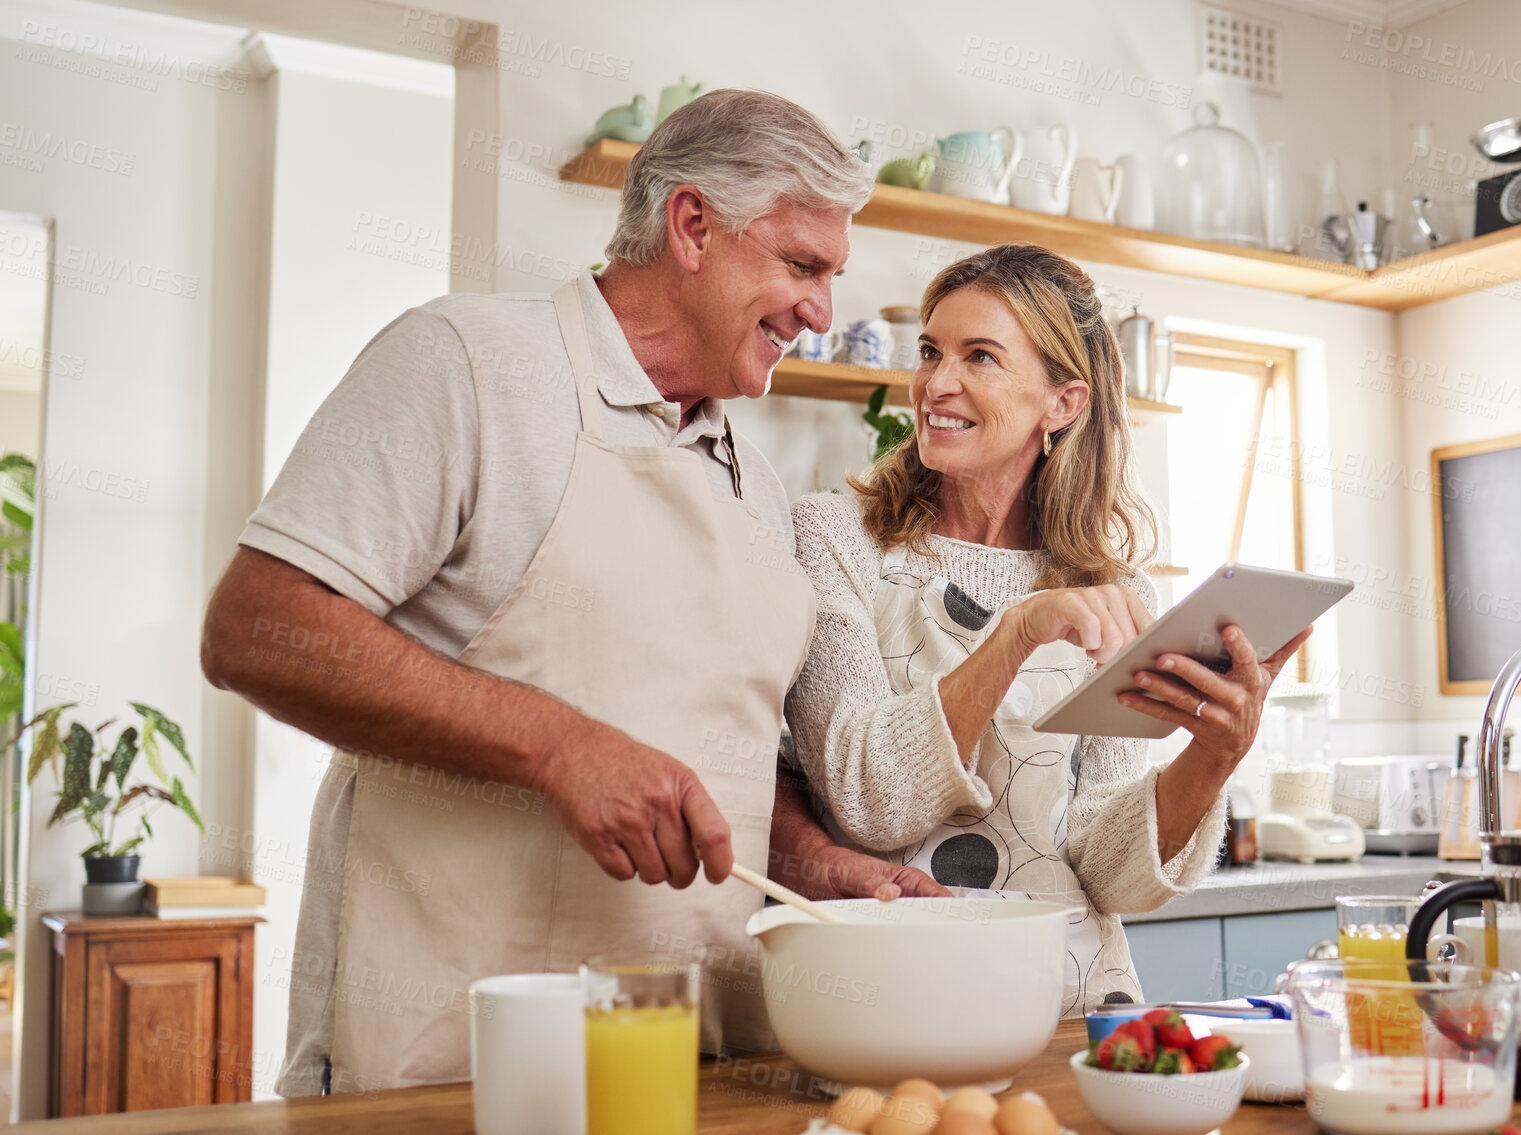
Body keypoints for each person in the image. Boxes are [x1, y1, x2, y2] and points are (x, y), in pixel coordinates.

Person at [200, 89, 943, 1096]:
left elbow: (708, 742)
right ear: (690, 226)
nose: (822, 311)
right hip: (454, 1062)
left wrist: (815, 859)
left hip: (692, 1067)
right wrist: (559, 745)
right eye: (802, 264)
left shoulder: (755, 481)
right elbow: (258, 627)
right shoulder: (462, 363)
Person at [785, 243, 1309, 1015]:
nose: (937, 382)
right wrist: (1014, 634)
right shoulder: (835, 540)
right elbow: (871, 799)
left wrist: (1213, 755)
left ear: (1061, 403)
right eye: (930, 351)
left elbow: (1114, 876)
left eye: (980, 356)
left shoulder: (1111, 589)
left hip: (1071, 1005)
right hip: (891, 1003)